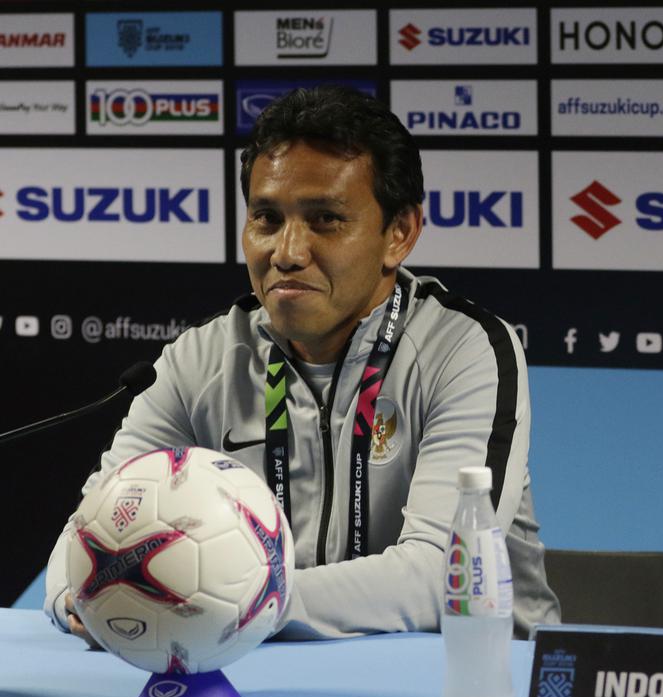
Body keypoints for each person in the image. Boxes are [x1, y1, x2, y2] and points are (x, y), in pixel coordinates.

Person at [44, 85, 560, 644]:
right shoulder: (199, 359)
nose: (287, 252)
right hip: (264, 670)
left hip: (468, 672)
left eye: (325, 220)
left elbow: (444, 572)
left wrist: (219, 600)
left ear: (400, 234)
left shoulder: (464, 350)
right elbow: (87, 535)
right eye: (267, 217)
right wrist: (82, 595)